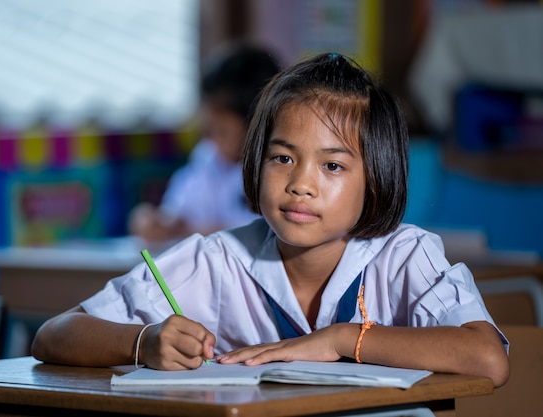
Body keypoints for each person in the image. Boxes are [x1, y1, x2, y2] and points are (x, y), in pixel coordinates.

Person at [32, 52, 509, 388]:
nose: (301, 183)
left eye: (333, 166)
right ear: (255, 161)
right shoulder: (217, 259)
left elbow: (487, 357)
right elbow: (54, 334)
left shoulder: (405, 255)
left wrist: (341, 340)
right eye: (282, 158)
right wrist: (143, 341)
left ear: (377, 179)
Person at [128, 43, 282, 242]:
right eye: (209, 129)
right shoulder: (208, 160)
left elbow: (262, 233)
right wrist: (150, 220)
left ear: (258, 127)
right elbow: (175, 214)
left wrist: (195, 231)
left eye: (222, 132)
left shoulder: (274, 171)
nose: (212, 140)